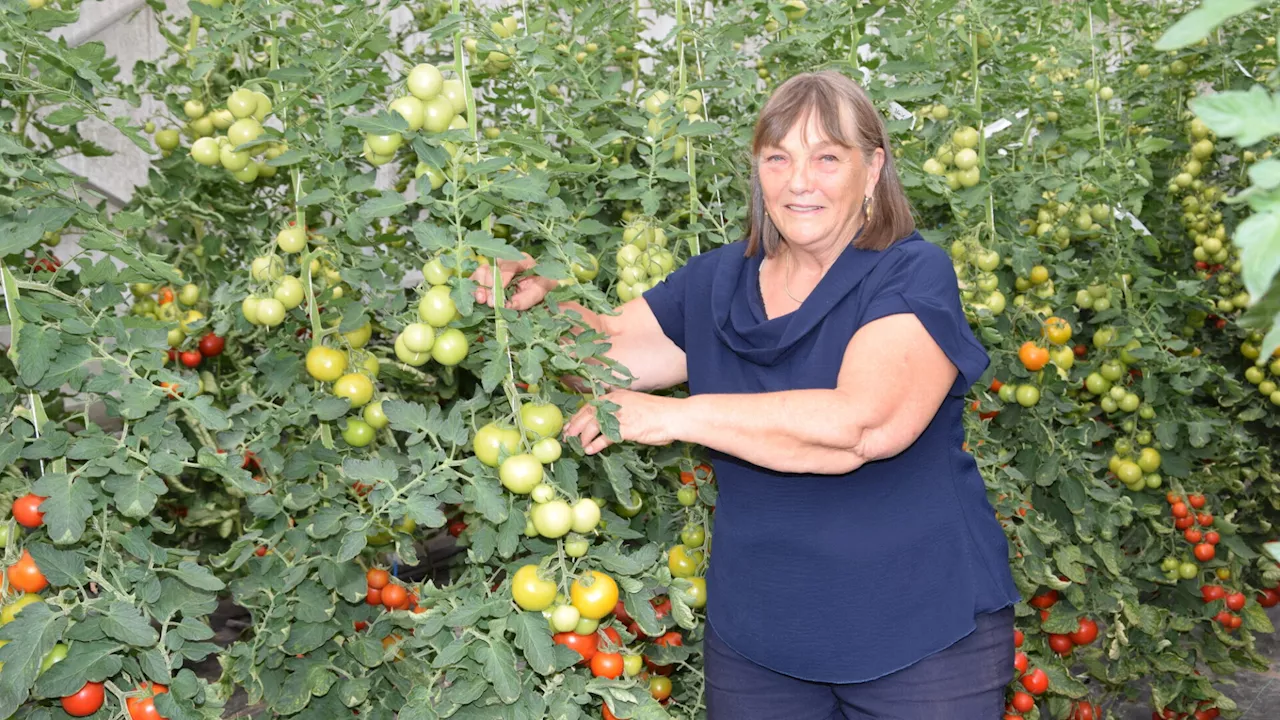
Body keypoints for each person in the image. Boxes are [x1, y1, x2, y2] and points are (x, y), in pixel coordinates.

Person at [472, 69, 1020, 720]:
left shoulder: (910, 273)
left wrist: (681, 415)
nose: (800, 181)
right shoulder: (716, 282)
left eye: (827, 158)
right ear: (757, 170)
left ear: (873, 169)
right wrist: (539, 302)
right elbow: (606, 356)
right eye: (778, 157)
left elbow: (862, 426)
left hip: (917, 633)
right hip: (761, 639)